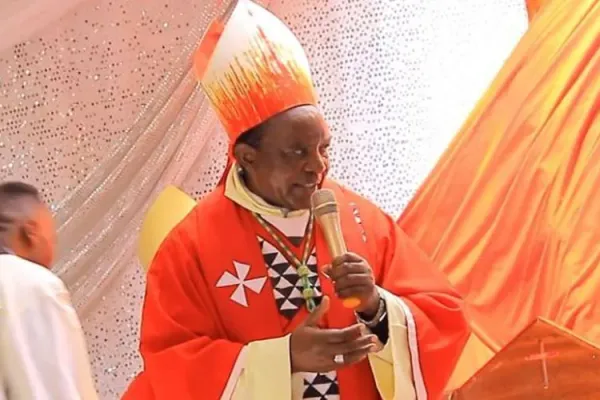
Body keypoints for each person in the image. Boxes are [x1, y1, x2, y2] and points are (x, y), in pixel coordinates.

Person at [123, 1, 469, 399]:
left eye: (324, 147)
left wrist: (377, 308)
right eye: (297, 152)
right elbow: (172, 362)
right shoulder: (191, 246)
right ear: (246, 157)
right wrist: (283, 358)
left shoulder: (361, 220)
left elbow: (443, 316)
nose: (317, 166)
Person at [0, 181, 98, 400]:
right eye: (52, 236)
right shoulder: (35, 286)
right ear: (31, 232)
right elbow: (55, 390)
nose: (54, 244)